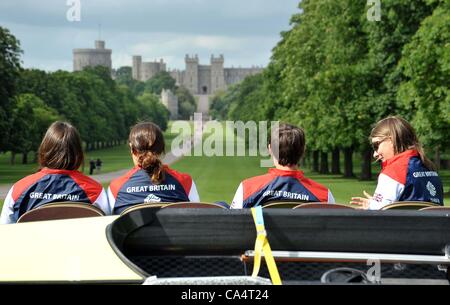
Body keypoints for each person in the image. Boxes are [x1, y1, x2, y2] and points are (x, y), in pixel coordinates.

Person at [0, 122, 110, 224]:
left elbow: (4, 231)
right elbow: (106, 230)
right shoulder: (94, 191)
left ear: (44, 150)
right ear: (78, 153)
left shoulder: (19, 189)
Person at [230, 123, 335, 209]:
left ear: (270, 149)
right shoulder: (324, 196)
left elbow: (233, 226)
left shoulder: (248, 188)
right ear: (303, 151)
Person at [350, 116, 444, 209]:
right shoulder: (430, 168)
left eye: (376, 145)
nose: (375, 154)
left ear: (391, 140)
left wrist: (372, 206)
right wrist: (375, 203)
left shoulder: (393, 172)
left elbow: (378, 214)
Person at [108, 122, 200, 214]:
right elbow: (197, 218)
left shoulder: (116, 187)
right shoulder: (185, 182)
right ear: (162, 148)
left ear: (132, 149)